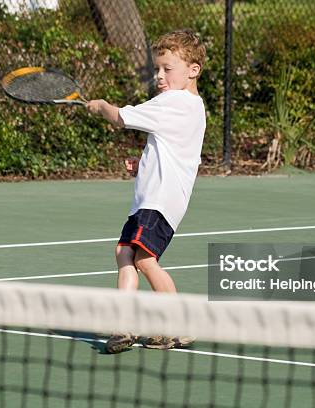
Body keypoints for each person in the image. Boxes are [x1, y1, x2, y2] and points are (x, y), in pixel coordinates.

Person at [86, 29, 206, 353]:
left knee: (144, 259)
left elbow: (121, 117)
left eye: (167, 69)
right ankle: (125, 326)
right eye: (157, 69)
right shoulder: (191, 107)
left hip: (159, 202)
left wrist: (101, 107)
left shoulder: (176, 101)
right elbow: (175, 153)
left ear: (193, 70)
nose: (159, 76)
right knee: (124, 253)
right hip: (153, 199)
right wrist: (142, 166)